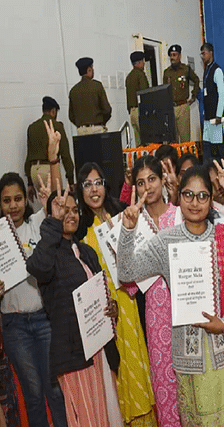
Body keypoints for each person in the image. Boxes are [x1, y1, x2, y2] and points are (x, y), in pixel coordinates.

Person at [119, 166, 224, 426]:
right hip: (187, 358)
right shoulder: (166, 241)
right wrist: (128, 231)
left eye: (203, 196)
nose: (195, 202)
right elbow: (127, 272)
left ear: (211, 198)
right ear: (178, 196)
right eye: (188, 195)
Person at [27, 187, 120, 427]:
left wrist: (112, 308)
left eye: (74, 210)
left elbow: (101, 293)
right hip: (72, 354)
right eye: (63, 210)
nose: (70, 214)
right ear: (51, 215)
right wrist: (52, 223)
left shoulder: (86, 251)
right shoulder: (49, 254)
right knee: (87, 419)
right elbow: (36, 268)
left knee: (105, 417)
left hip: (98, 348)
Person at [76, 163, 156, 427]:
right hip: (104, 314)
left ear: (105, 185)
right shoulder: (79, 230)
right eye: (87, 184)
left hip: (131, 301)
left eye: (97, 182)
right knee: (117, 374)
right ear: (81, 190)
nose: (94, 189)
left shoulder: (122, 213)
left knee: (139, 366)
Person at [1, 124, 68, 427]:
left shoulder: (35, 224)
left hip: (43, 320)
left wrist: (54, 159)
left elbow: (56, 199)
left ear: (23, 200)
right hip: (13, 325)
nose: (13, 205)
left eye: (17, 198)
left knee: (54, 390)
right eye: (6, 200)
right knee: (32, 394)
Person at [120, 156, 182, 427]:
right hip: (156, 314)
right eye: (141, 182)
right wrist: (128, 231)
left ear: (162, 180)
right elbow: (129, 281)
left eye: (152, 179)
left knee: (191, 381)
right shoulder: (135, 223)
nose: (147, 187)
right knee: (164, 385)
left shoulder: (180, 215)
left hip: (186, 309)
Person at [25, 96, 75, 197]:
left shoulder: (32, 127)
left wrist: (30, 183)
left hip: (34, 172)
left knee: (45, 203)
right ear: (53, 111)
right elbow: (65, 154)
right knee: (56, 201)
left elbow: (29, 156)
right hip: (49, 170)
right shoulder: (57, 126)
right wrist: (71, 180)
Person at [200, 43, 224, 165]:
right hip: (208, 117)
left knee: (221, 148)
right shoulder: (206, 70)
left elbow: (222, 94)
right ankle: (206, 172)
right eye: (201, 54)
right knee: (206, 146)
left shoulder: (217, 70)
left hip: (217, 117)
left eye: (204, 53)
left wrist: (218, 115)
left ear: (211, 53)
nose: (202, 56)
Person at [163, 44, 200, 143]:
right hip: (171, 108)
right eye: (171, 55)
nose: (172, 58)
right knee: (172, 139)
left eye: (174, 55)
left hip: (183, 107)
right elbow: (164, 89)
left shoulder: (185, 69)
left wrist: (193, 95)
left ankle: (185, 158)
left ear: (179, 56)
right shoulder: (167, 72)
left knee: (185, 138)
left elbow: (196, 80)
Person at [69, 57, 112, 134]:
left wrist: (81, 124)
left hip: (81, 131)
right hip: (97, 129)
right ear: (89, 69)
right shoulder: (97, 86)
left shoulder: (73, 91)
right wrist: (101, 121)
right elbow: (107, 109)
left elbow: (71, 116)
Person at [125, 51, 150, 147]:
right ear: (139, 62)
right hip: (141, 112)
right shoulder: (140, 75)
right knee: (147, 141)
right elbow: (145, 93)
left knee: (138, 143)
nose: (144, 64)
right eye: (143, 61)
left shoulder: (129, 77)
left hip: (132, 112)